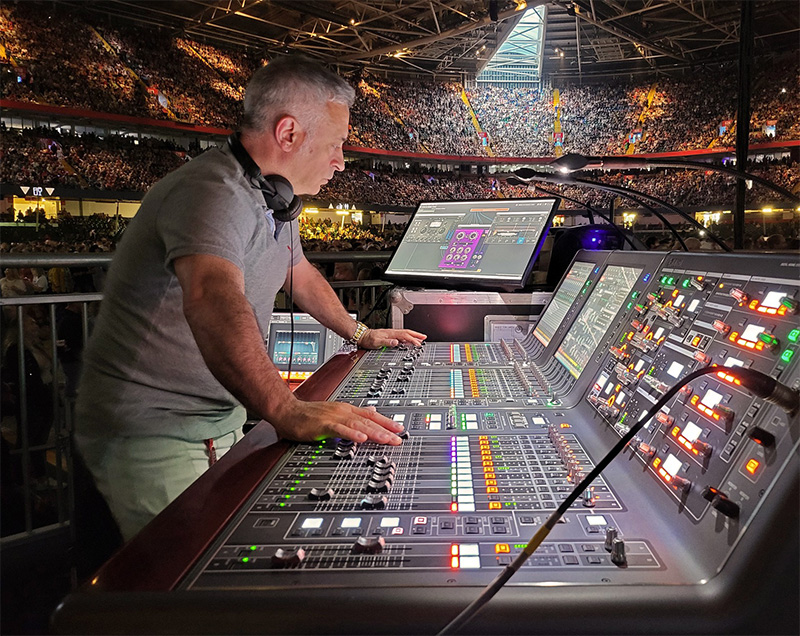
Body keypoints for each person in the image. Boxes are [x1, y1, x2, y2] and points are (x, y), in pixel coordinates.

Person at [74, 55, 427, 542]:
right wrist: (286, 410)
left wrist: (361, 333)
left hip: (214, 424)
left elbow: (297, 273)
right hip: (153, 433)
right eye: (337, 143)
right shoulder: (213, 191)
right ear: (289, 134)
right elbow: (211, 294)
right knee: (195, 595)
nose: (341, 161)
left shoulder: (275, 201)